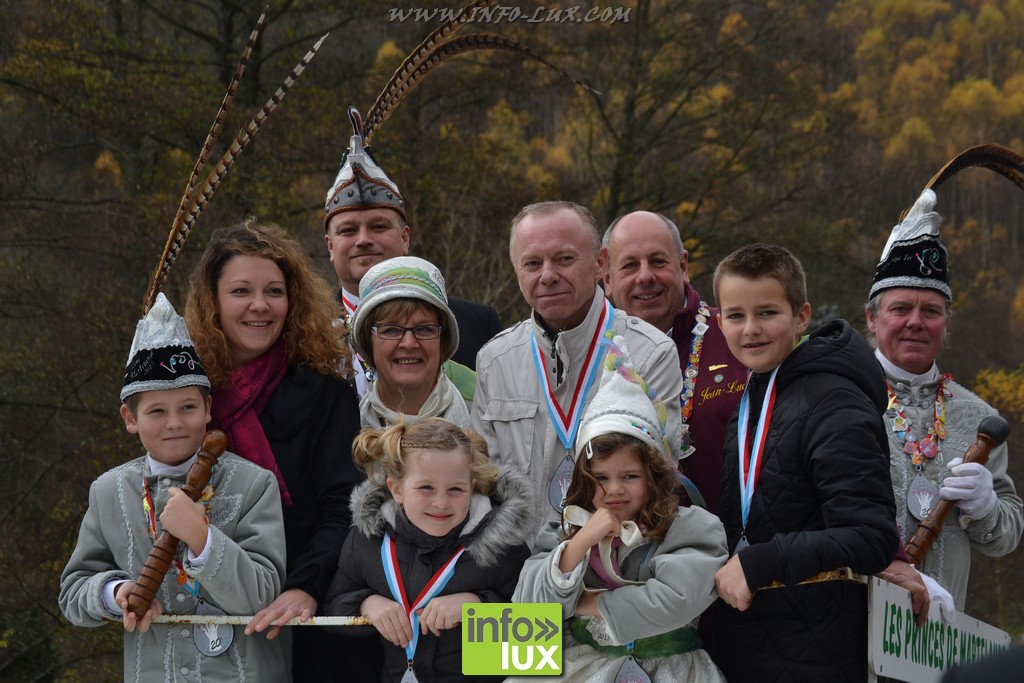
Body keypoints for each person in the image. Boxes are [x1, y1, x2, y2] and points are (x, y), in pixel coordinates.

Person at [58, 293, 288, 681]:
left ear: (209, 408)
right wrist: (114, 594)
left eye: (188, 407)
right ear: (129, 418)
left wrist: (203, 538)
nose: (175, 423)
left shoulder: (254, 484)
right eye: (157, 411)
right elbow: (73, 593)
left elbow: (262, 596)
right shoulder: (108, 491)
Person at [185, 217, 364, 681]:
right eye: (241, 291)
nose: (260, 306)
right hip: (201, 610)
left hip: (303, 610)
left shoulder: (325, 393)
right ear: (213, 301)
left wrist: (306, 586)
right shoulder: (186, 397)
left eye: (274, 292)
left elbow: (343, 505)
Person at [711, 243, 899, 682]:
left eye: (768, 313)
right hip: (751, 642)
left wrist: (761, 562)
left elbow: (870, 538)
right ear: (719, 321)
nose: (750, 329)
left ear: (801, 316)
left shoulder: (834, 401)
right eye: (736, 315)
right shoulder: (754, 397)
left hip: (815, 654)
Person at [512, 339, 728, 682]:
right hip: (578, 666)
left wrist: (584, 604)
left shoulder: (691, 529)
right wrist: (581, 542)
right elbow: (527, 608)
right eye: (600, 478)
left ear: (654, 477)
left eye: (629, 476)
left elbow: (674, 600)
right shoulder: (562, 532)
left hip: (668, 667)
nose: (614, 489)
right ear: (583, 480)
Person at [473, 200, 684, 537]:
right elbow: (485, 488)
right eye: (532, 263)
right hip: (522, 577)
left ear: (601, 263)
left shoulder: (650, 353)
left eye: (564, 259)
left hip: (615, 570)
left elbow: (658, 481)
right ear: (516, 270)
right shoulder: (496, 361)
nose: (548, 276)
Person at [865, 189, 1023, 611]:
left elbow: (1006, 536)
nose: (915, 322)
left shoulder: (981, 419)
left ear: (947, 322)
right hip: (849, 627)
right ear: (872, 317)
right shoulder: (837, 395)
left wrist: (987, 507)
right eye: (900, 308)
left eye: (931, 311)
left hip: (939, 636)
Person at [323, 417, 533, 682]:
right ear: (396, 489)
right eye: (426, 488)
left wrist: (479, 610)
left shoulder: (502, 547)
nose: (441, 503)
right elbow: (333, 608)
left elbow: (538, 646)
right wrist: (367, 604)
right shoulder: (368, 540)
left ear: (472, 486)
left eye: (456, 489)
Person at [323, 114, 500, 386]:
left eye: (379, 227)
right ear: (330, 246)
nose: (363, 240)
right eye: (348, 231)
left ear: (405, 238)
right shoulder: (305, 333)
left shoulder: (475, 325)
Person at [602, 210, 745, 513]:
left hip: (736, 549)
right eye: (629, 265)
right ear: (607, 281)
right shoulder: (593, 354)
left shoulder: (740, 338)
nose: (645, 276)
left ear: (682, 266)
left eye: (657, 261)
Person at [351, 256, 473, 429]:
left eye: (424, 329)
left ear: (443, 340)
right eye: (391, 330)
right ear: (367, 342)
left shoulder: (483, 410)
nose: (409, 344)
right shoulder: (346, 424)